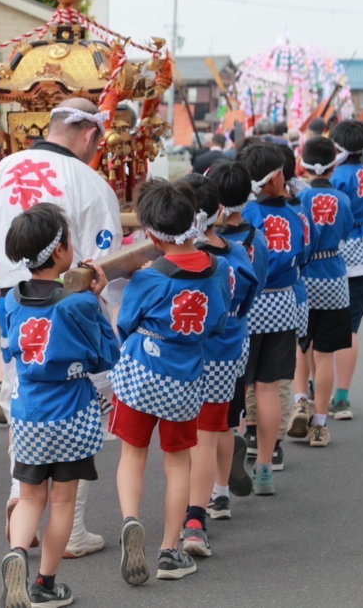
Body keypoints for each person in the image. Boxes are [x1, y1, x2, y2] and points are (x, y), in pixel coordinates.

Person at [0, 97, 122, 559]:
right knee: (82, 412)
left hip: (15, 307)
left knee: (21, 402)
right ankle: (73, 530)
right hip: (73, 306)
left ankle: (20, 498)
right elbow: (107, 257)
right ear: (88, 135)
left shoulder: (3, 170)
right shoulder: (89, 181)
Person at [110, 179, 230, 585]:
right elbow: (217, 325)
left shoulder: (148, 279)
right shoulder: (219, 272)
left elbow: (124, 325)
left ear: (151, 233)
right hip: (184, 377)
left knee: (132, 455)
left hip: (142, 371)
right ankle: (169, 550)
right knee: (177, 462)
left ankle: (130, 521)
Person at [0, 203, 118, 608]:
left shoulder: (11, 301)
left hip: (29, 412)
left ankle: (16, 555)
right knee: (63, 501)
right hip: (73, 414)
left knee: (31, 498)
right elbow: (107, 356)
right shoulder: (77, 303)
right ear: (62, 250)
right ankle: (45, 585)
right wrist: (98, 301)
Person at [180, 173, 258, 557]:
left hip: (188, 355)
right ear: (220, 210)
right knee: (220, 424)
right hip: (228, 348)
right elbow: (246, 300)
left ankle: (193, 514)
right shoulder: (237, 253)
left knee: (192, 437)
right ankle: (220, 493)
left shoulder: (177, 260)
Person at [241, 140, 313, 493]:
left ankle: (230, 470)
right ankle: (266, 467)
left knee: (239, 389)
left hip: (249, 305)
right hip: (283, 304)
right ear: (273, 179)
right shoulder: (298, 214)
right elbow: (305, 256)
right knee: (269, 388)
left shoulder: (248, 215)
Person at [207, 162, 269, 509]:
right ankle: (220, 492)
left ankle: (198, 501)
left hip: (201, 343)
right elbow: (255, 287)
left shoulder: (199, 244)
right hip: (235, 334)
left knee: (200, 422)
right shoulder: (254, 240)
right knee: (226, 419)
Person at [287, 137, 354, 447]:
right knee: (325, 354)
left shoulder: (299, 199)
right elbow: (346, 231)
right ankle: (319, 425)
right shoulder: (342, 199)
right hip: (334, 278)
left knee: (302, 347)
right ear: (334, 164)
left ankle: (300, 401)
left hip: (303, 278)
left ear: (304, 163)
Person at [329, 120, 363, 421]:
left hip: (335, 256)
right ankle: (343, 396)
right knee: (351, 327)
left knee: (323, 326)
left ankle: (315, 391)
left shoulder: (336, 177)